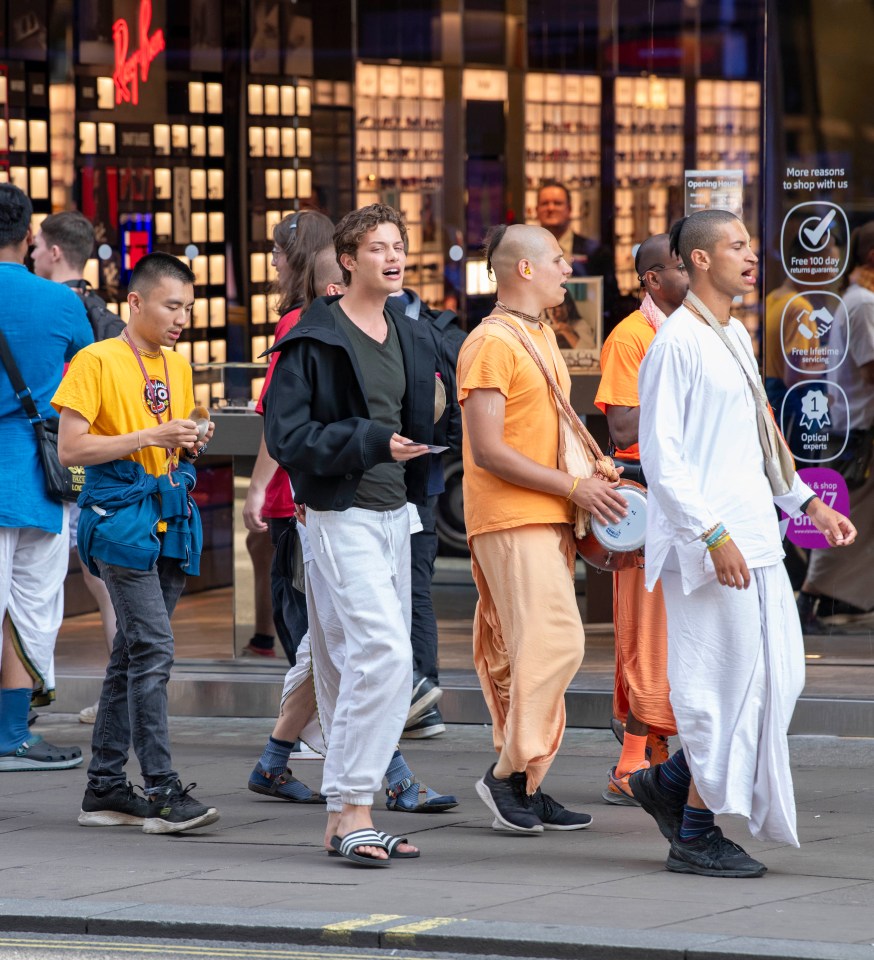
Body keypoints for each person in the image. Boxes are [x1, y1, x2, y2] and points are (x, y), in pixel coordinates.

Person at [631, 210, 856, 878]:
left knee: (776, 681)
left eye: (751, 247)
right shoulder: (677, 343)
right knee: (725, 690)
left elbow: (762, 441)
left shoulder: (730, 333)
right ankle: (695, 832)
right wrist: (713, 533)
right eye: (736, 246)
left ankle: (670, 783)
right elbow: (661, 457)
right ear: (699, 260)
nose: (752, 257)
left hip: (752, 536)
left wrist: (806, 502)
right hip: (715, 547)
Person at [263, 204, 458, 866]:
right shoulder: (313, 337)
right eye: (379, 247)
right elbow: (287, 438)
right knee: (384, 656)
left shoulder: (409, 331)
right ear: (347, 261)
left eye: (399, 246)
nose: (394, 257)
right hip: (338, 515)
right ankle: (351, 805)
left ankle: (346, 816)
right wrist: (371, 440)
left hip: (394, 515)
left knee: (350, 664)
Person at [457, 223, 628, 834]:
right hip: (513, 515)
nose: (568, 266)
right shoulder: (490, 343)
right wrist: (575, 487)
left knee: (530, 654)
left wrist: (587, 482)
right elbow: (487, 451)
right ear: (523, 269)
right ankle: (507, 777)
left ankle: (525, 782)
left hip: (544, 513)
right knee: (556, 646)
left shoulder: (537, 336)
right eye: (557, 258)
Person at [54, 252, 220, 834]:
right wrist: (149, 434)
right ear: (136, 302)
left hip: (167, 520)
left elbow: (165, 444)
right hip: (120, 522)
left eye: (188, 309)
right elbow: (70, 450)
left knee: (131, 653)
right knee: (153, 649)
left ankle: (103, 788)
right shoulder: (95, 361)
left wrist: (189, 439)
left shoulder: (177, 366)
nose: (182, 319)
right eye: (172, 305)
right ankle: (162, 789)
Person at [0, 184, 92, 771]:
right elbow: (93, 381)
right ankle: (12, 731)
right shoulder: (60, 303)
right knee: (31, 605)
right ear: (30, 236)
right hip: (36, 478)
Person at [593, 234, 686, 804]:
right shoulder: (632, 335)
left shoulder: (697, 329)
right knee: (648, 633)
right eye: (680, 265)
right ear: (652, 279)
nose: (691, 273)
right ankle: (632, 761)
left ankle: (653, 759)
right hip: (646, 501)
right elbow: (624, 430)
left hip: (684, 497)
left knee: (675, 630)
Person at [30, 210, 121, 723]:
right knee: (100, 579)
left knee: (70, 580)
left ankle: (28, 698)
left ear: (57, 251)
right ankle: (119, 695)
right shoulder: (100, 310)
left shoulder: (57, 308)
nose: (34, 253)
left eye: (39, 246)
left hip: (60, 460)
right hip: (94, 460)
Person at [242, 210, 335, 662]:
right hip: (321, 489)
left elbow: (280, 418)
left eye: (277, 251)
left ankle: (304, 733)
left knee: (296, 624)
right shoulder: (337, 317)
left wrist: (256, 488)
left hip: (288, 494)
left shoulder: (295, 322)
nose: (273, 262)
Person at [388, 286, 466, 739]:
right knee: (417, 590)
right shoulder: (439, 324)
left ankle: (409, 697)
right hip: (428, 479)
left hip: (380, 479)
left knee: (380, 593)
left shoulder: (375, 320)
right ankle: (425, 698)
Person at [798, 220, 874, 629]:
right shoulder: (863, 303)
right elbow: (870, 370)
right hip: (861, 430)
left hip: (859, 426)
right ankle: (809, 598)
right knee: (849, 516)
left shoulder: (860, 299)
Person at [535, 181, 622, 337]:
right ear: (536, 210)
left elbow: (610, 301)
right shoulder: (526, 252)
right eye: (545, 203)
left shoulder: (596, 252)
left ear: (569, 209)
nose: (551, 208)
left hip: (586, 340)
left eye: (557, 203)